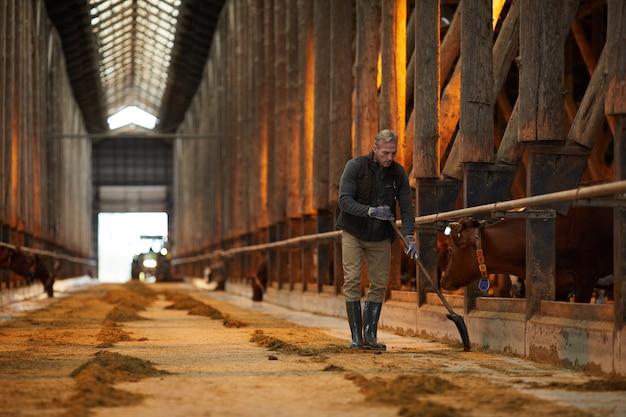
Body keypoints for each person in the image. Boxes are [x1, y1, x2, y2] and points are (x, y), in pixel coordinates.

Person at [336, 129, 416, 350]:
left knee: (379, 284)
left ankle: (370, 335)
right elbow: (344, 201)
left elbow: (407, 208)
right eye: (385, 153)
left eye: (393, 153)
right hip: (353, 231)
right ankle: (356, 337)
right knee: (352, 279)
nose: (390, 158)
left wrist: (409, 236)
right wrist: (371, 211)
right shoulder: (355, 166)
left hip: (381, 235)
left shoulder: (398, 173)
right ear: (375, 148)